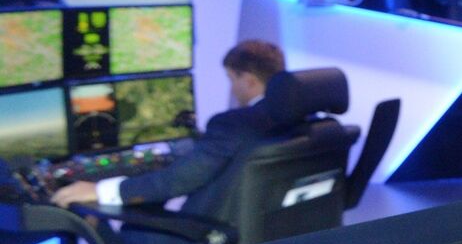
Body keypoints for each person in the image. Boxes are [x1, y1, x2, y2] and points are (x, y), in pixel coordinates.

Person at [53, 40, 288, 210]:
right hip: (262, 227)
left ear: (249, 81)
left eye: (231, 79)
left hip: (205, 239)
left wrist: (99, 191)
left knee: (129, 224)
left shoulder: (235, 124)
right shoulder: (294, 118)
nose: (233, 89)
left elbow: (178, 180)